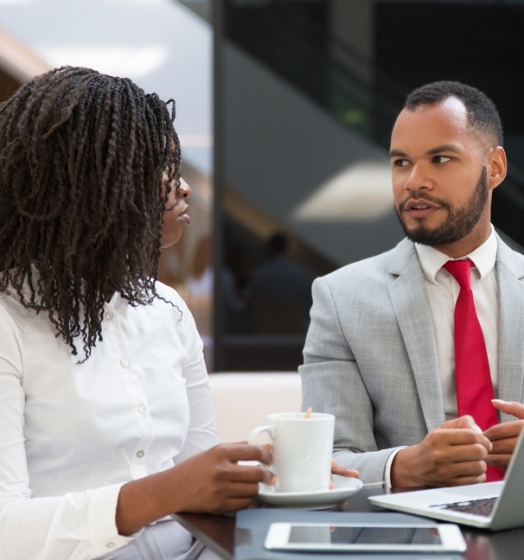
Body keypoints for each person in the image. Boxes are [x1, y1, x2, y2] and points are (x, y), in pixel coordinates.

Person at [0, 66, 279, 560]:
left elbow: (200, 478)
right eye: (164, 169)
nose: (185, 188)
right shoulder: (9, 320)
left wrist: (277, 476)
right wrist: (165, 492)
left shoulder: (168, 310)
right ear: (94, 185)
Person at [300, 80, 524, 490]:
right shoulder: (340, 299)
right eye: (401, 162)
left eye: (440, 159)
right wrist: (405, 467)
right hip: (409, 540)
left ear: (494, 168)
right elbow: (325, 459)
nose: (414, 181)